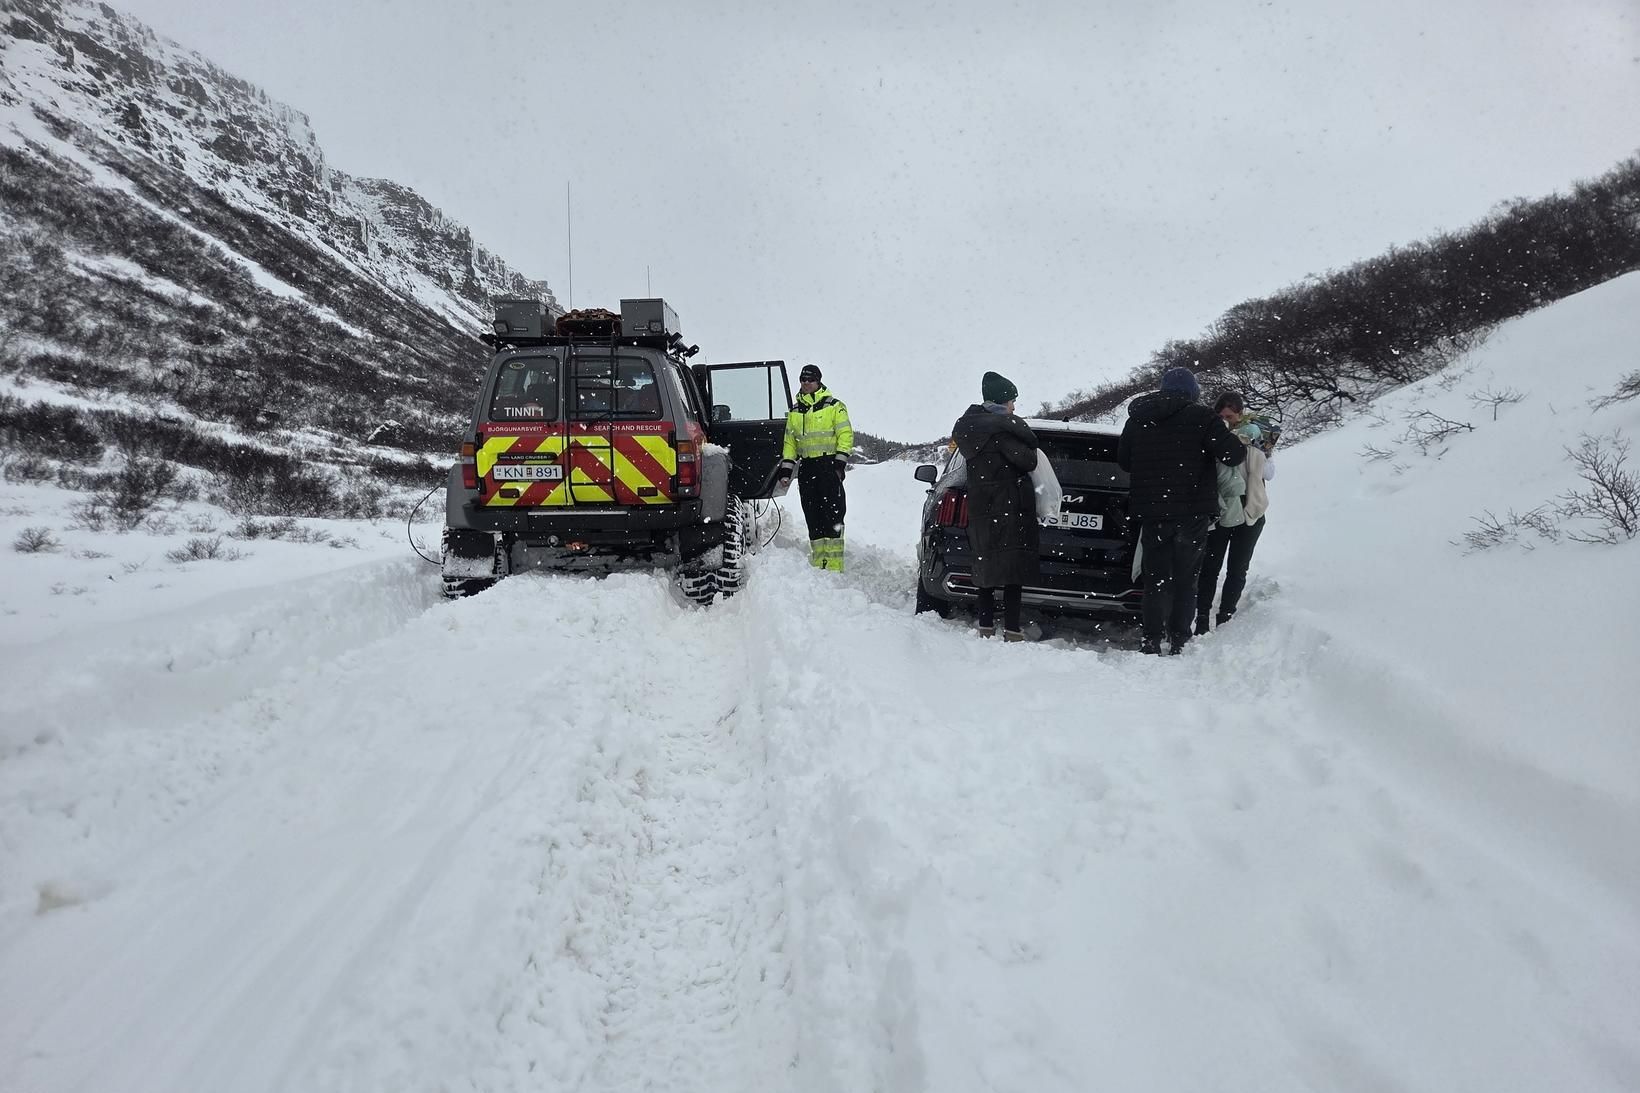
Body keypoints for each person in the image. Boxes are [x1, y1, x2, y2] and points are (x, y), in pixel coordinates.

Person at [1117, 366, 1245, 655]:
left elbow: (1124, 461)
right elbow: (1233, 455)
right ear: (1192, 393)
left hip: (1152, 511)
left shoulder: (1139, 418)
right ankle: (1179, 639)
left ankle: (1151, 638)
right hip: (1192, 511)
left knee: (1156, 579)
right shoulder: (1203, 417)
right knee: (1186, 579)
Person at [951, 371, 1041, 642]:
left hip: (983, 508)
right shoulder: (1003, 432)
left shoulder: (972, 430)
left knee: (986, 564)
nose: (1014, 406)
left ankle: (986, 626)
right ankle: (1012, 629)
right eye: (1012, 401)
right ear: (1003, 402)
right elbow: (1028, 461)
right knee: (1013, 568)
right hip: (1009, 505)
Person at [1196, 396, 1271, 632]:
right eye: (1221, 417)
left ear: (1240, 413)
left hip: (1249, 510)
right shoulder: (1212, 438)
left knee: (1237, 568)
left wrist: (1262, 452)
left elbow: (1269, 473)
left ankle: (1225, 615)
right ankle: (1202, 617)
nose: (1226, 421)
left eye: (1230, 416)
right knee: (1210, 566)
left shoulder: (1256, 436)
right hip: (1221, 511)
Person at [776, 364, 854, 571]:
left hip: (829, 467)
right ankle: (820, 563)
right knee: (812, 515)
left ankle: (834, 565)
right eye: (803, 379)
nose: (806, 383)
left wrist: (840, 462)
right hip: (807, 468)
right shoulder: (795, 411)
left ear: (818, 381)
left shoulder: (834, 406)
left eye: (810, 379)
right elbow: (790, 443)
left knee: (833, 514)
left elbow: (845, 435)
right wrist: (786, 469)